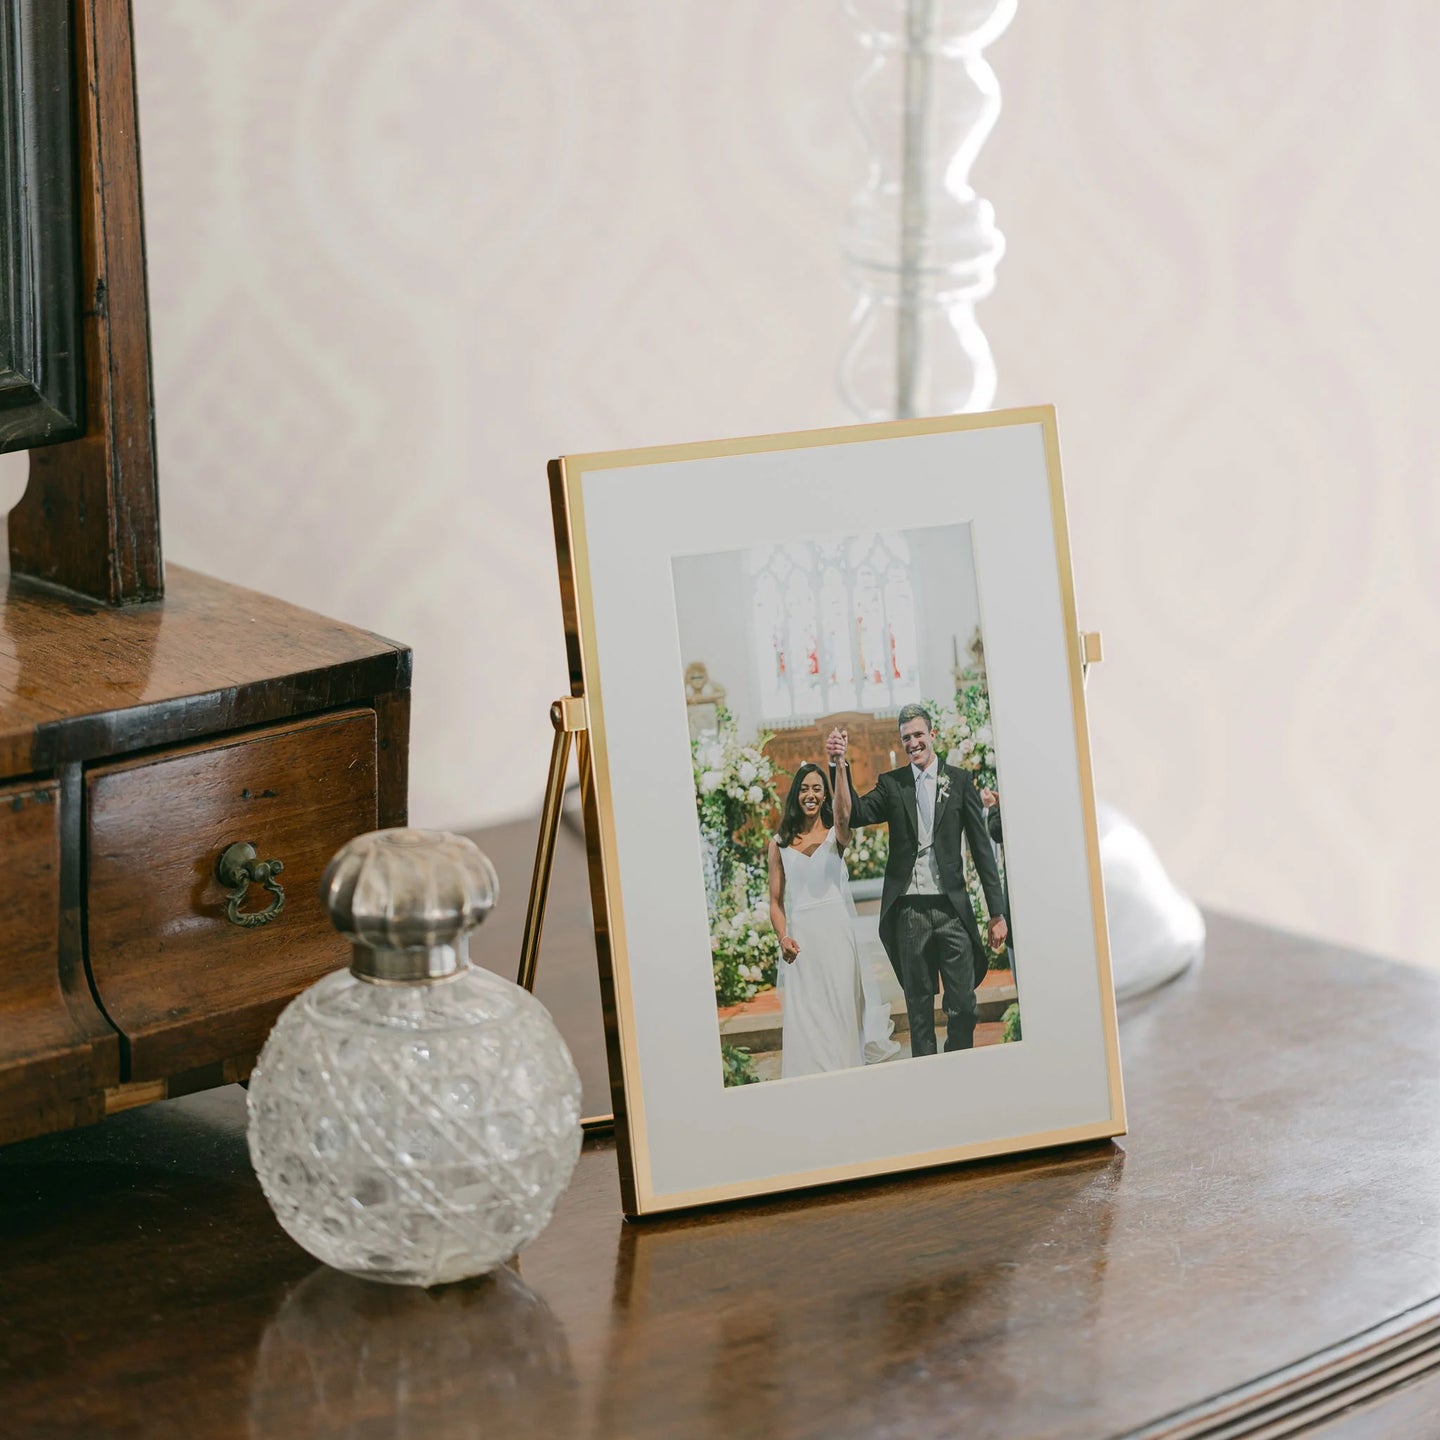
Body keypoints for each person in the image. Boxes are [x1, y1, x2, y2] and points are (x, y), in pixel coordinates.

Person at [827, 705, 1007, 1055]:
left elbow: (982, 851)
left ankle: (958, 1066)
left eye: (918, 735)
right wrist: (839, 765)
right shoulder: (892, 784)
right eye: (906, 737)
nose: (913, 743)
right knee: (919, 1012)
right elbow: (856, 814)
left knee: (964, 1006)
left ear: (932, 735)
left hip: (952, 910)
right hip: (909, 912)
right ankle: (927, 1077)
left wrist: (996, 913)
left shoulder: (959, 781)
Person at [767, 762, 900, 1079]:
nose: (810, 795)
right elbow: (775, 902)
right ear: (795, 794)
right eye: (804, 789)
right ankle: (811, 1080)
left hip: (837, 933)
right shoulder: (779, 843)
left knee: (842, 1007)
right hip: (802, 939)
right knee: (808, 1014)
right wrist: (783, 937)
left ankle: (846, 1075)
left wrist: (839, 768)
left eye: (817, 789)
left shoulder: (836, 834)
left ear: (825, 795)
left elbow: (844, 815)